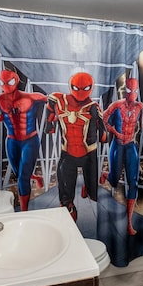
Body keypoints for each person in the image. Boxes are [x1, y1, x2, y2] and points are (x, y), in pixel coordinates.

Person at [46, 72, 106, 221]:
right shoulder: (58, 100)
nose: (80, 92)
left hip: (88, 154)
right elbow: (49, 107)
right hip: (68, 152)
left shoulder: (93, 107)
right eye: (76, 88)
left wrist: (104, 134)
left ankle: (88, 186)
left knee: (93, 192)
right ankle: (70, 214)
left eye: (84, 88)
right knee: (65, 199)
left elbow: (103, 132)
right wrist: (50, 123)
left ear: (91, 88)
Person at [0, 70, 47, 211]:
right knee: (19, 173)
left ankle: (24, 211)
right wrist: (1, 118)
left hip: (30, 140)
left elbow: (52, 100)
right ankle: (36, 177)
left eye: (9, 82)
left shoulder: (31, 97)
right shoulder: (0, 100)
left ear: (16, 80)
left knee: (22, 177)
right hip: (12, 142)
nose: (6, 85)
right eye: (3, 82)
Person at [100, 78, 143, 235]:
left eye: (135, 91)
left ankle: (129, 224)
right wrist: (115, 132)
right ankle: (107, 175)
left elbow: (142, 124)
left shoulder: (140, 107)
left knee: (133, 182)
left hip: (130, 145)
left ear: (137, 91)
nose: (132, 94)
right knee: (114, 181)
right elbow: (103, 119)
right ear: (125, 90)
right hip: (118, 145)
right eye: (129, 91)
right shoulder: (116, 105)